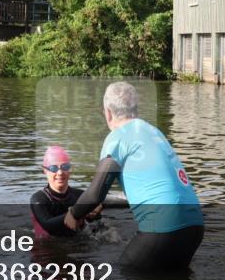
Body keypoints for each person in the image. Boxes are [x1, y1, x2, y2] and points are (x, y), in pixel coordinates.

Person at [66, 82, 204, 270]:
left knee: (126, 277)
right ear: (136, 109)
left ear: (107, 112)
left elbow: (94, 194)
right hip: (195, 225)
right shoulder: (154, 132)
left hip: (164, 226)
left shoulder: (117, 138)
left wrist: (74, 214)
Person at [30, 146, 101, 239]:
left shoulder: (80, 195)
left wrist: (94, 213)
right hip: (47, 247)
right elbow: (47, 224)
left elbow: (97, 222)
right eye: (53, 168)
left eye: (65, 167)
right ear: (45, 170)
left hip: (78, 246)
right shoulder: (38, 199)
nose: (60, 172)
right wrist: (76, 212)